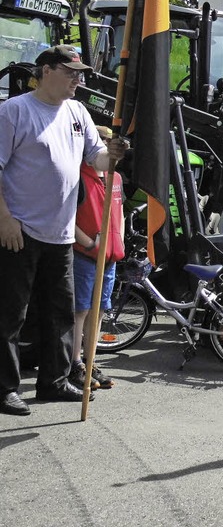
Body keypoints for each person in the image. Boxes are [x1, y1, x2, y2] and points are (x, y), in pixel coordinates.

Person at [0, 45, 128, 417]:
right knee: (12, 314)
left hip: (61, 234)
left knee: (60, 312)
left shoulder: (77, 111)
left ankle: (54, 382)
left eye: (80, 73)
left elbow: (98, 159)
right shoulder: (14, 112)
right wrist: (5, 219)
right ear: (46, 71)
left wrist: (114, 152)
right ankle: (5, 387)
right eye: (71, 72)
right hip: (19, 230)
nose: (78, 79)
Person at [69, 125, 126, 391]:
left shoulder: (115, 178)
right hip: (85, 255)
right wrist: (90, 243)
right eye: (101, 141)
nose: (105, 145)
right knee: (80, 310)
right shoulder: (77, 176)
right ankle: (74, 362)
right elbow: (67, 219)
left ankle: (90, 360)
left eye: (108, 141)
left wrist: (120, 239)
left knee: (100, 309)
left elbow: (119, 212)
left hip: (110, 256)